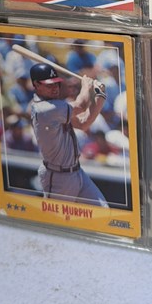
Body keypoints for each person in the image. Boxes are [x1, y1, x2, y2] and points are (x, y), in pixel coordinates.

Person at [28, 63, 108, 205]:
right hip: (58, 177)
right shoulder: (43, 109)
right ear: (36, 85)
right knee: (57, 218)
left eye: (56, 84)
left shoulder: (56, 105)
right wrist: (86, 85)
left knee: (103, 212)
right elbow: (81, 105)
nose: (54, 88)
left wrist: (100, 96)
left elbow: (83, 123)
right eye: (49, 85)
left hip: (77, 172)